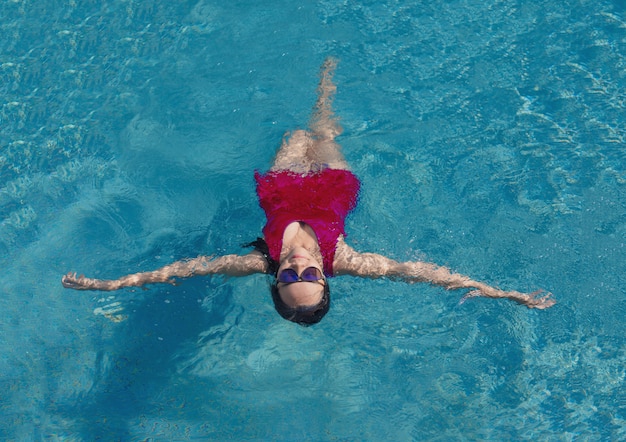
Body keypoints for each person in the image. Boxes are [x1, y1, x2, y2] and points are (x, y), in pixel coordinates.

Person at [62, 58, 555, 325]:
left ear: (276, 281)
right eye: (310, 273)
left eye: (290, 273)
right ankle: (327, 84)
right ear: (326, 277)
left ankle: (321, 89)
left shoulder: (257, 261)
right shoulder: (349, 259)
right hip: (333, 187)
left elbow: (177, 271)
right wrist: (503, 293)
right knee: (326, 134)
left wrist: (106, 286)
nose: (298, 264)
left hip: (281, 188)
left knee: (296, 136)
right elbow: (433, 276)